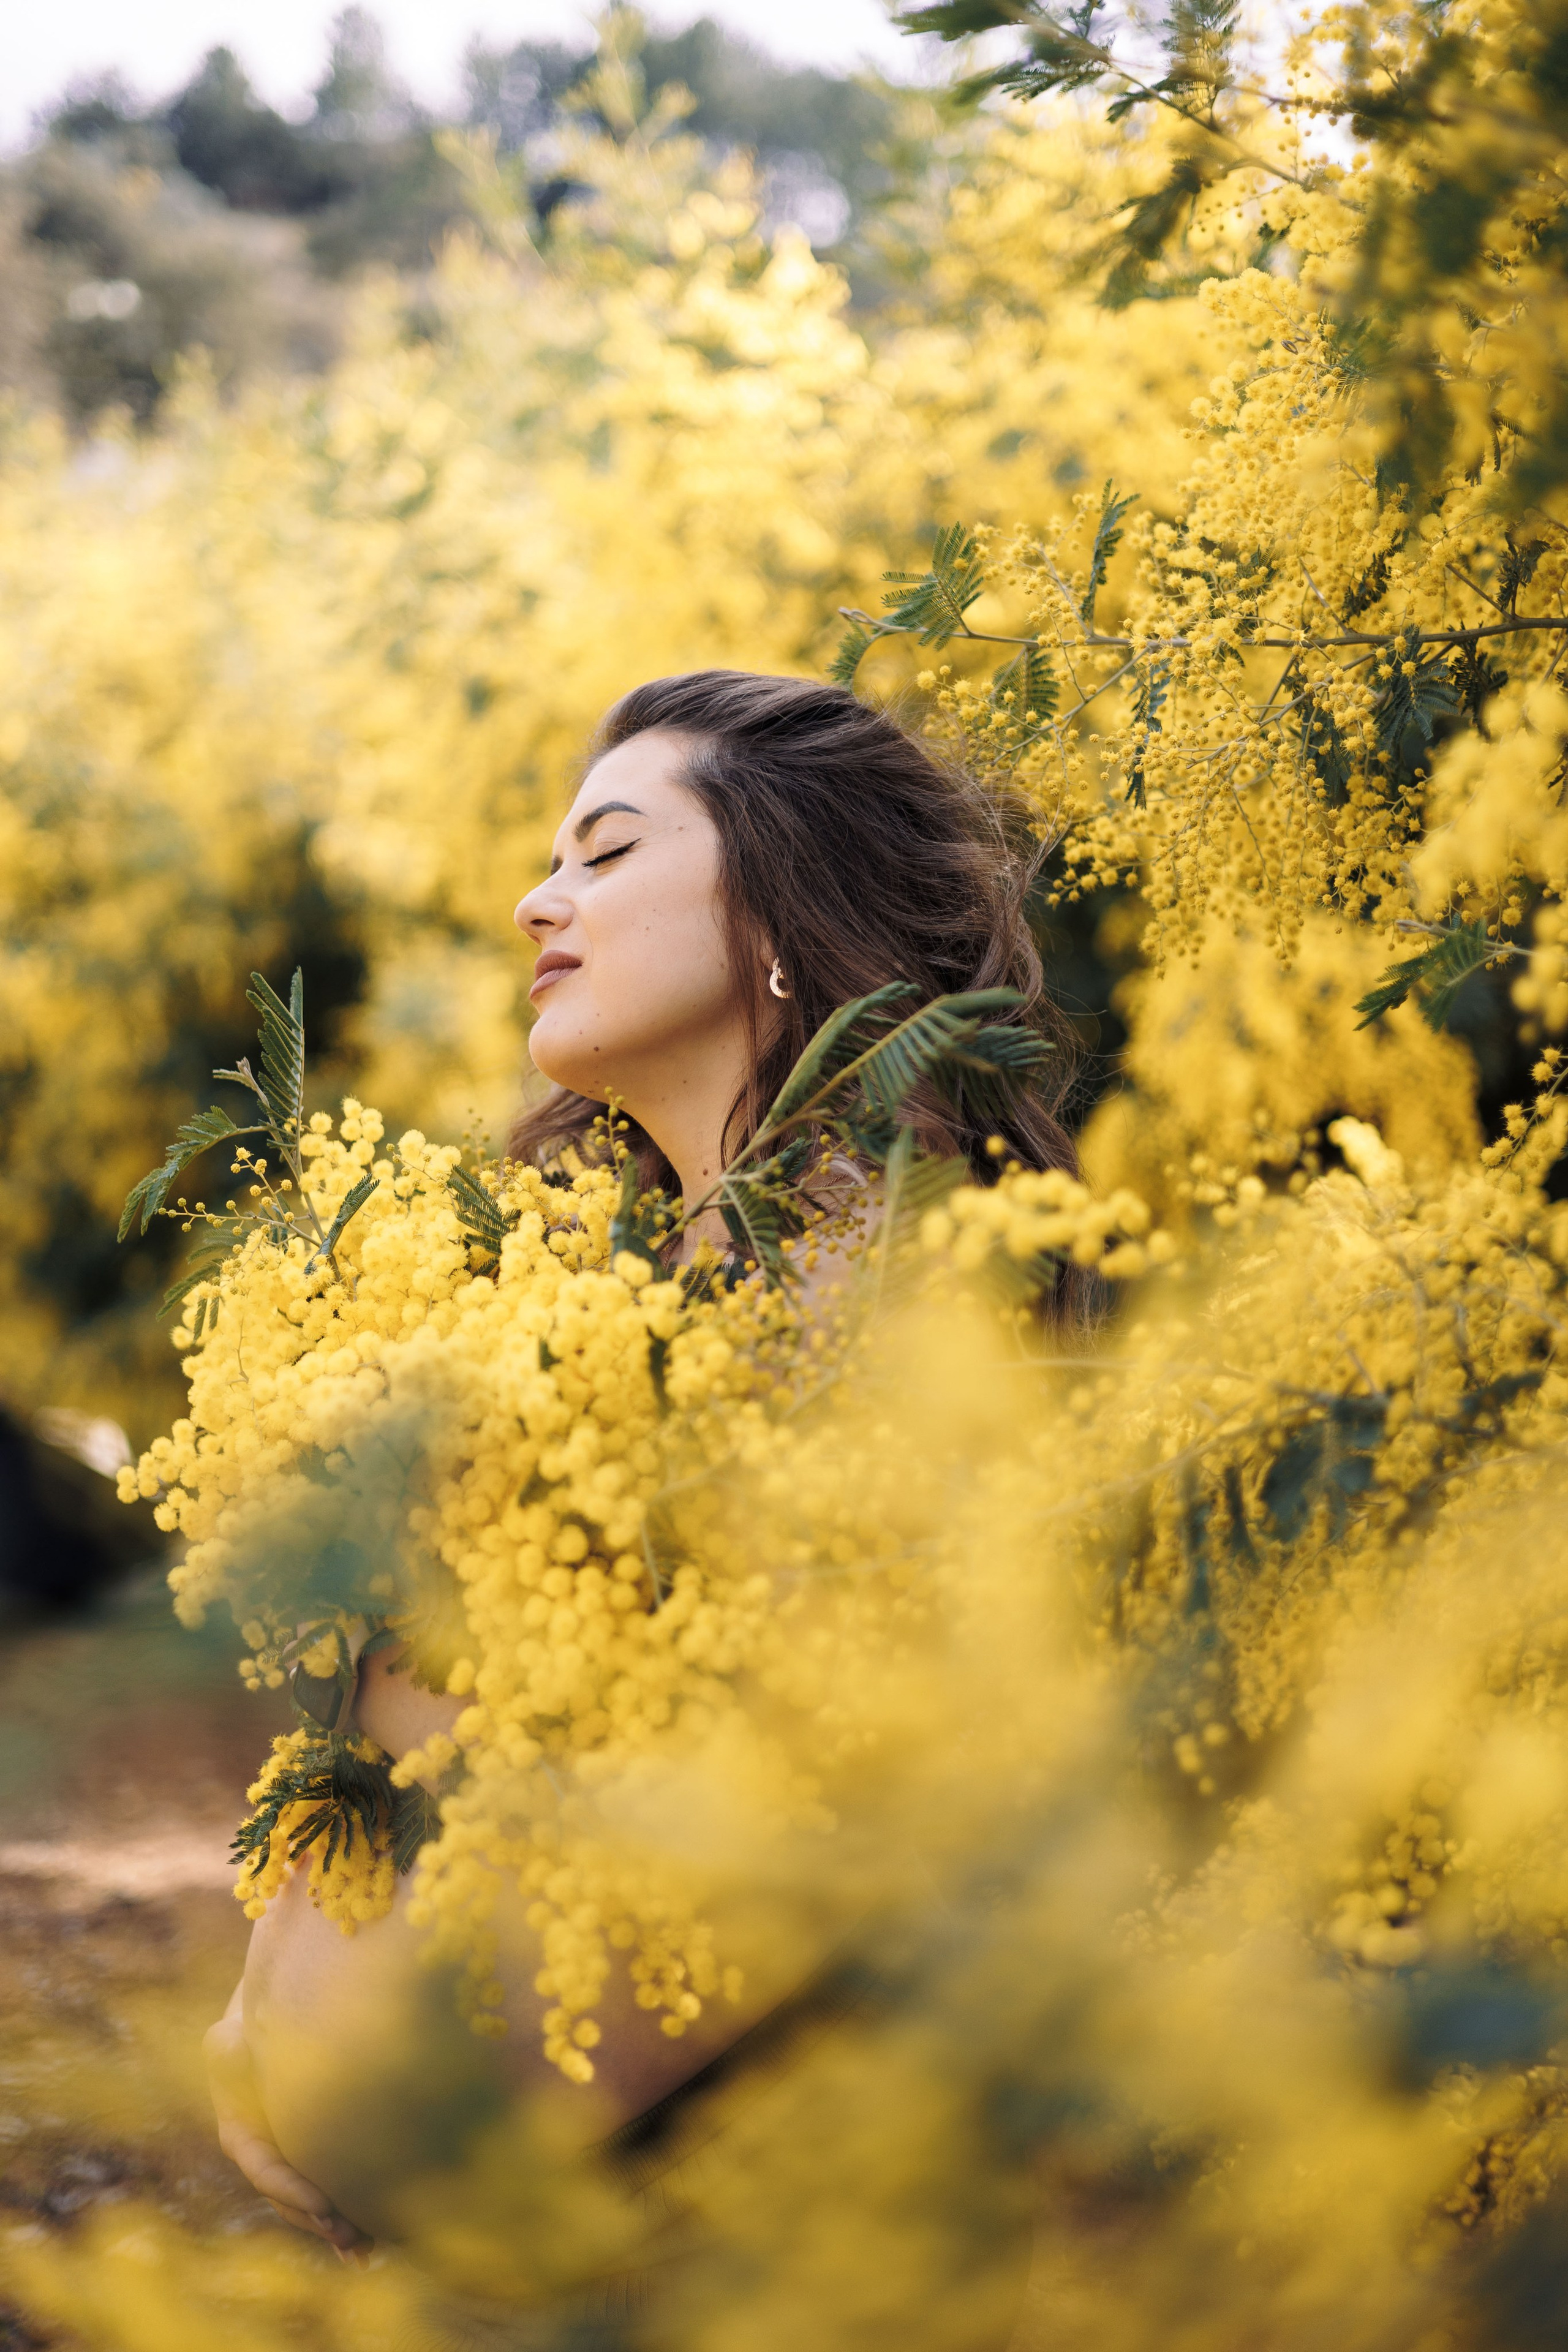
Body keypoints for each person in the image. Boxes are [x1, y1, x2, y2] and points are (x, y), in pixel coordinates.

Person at [205, 671, 1085, 2333]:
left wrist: (417, 2128)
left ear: (779, 911)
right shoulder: (592, 1280)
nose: (541, 899)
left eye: (607, 854)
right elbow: (423, 1746)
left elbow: (824, 1841)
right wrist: (271, 2015)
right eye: (552, 861)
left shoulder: (894, 1295)